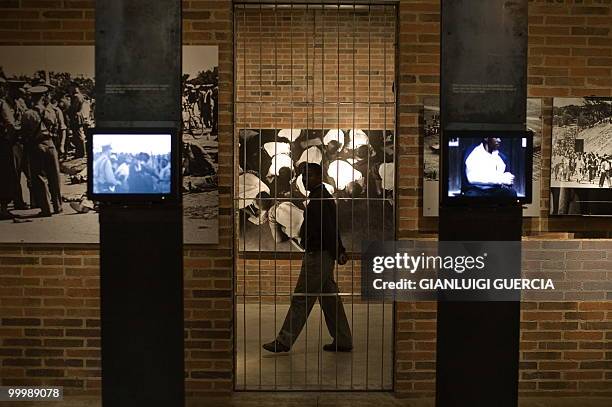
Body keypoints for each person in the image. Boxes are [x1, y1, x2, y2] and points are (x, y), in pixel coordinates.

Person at [263, 163, 352, 353]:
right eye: (303, 176)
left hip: (317, 256)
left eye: (309, 176)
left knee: (301, 299)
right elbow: (332, 227)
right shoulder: (321, 198)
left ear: (319, 176)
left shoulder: (320, 199)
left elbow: (329, 229)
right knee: (330, 300)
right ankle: (343, 340)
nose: (305, 179)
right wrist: (339, 251)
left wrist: (338, 251)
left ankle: (284, 340)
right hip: (323, 255)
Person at [20, 86, 62, 217]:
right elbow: (56, 126)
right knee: (54, 176)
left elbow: (24, 132)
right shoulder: (51, 111)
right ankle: (57, 205)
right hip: (50, 144)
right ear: (43, 97)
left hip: (36, 145)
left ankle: (46, 208)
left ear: (32, 98)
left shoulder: (28, 114)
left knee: (39, 177)